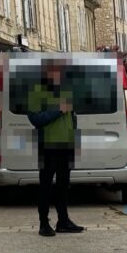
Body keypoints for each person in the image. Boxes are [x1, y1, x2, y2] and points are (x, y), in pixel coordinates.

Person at [26, 61, 85, 237]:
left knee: (63, 185)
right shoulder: (36, 92)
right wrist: (59, 110)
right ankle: (44, 223)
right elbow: (35, 119)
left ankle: (63, 221)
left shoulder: (65, 92)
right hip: (48, 145)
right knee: (45, 185)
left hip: (66, 145)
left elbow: (72, 116)